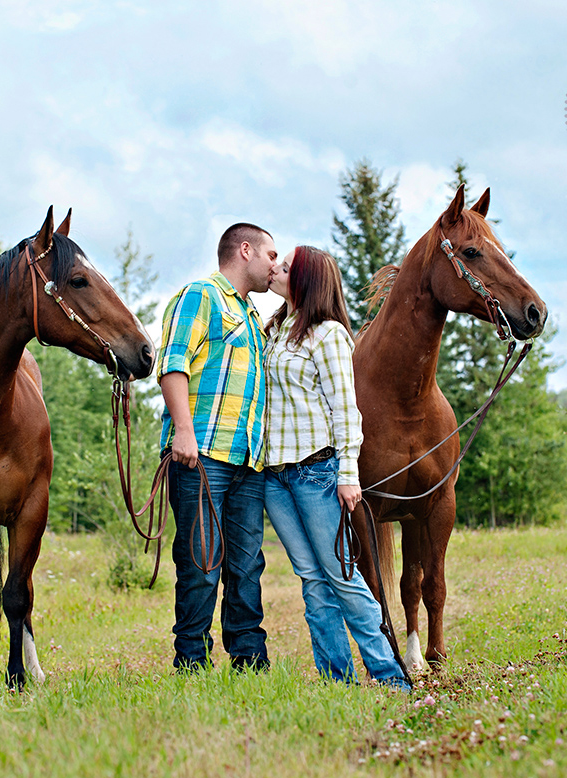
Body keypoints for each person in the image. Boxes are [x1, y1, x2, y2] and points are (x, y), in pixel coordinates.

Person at [262, 245, 411, 690]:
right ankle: (336, 679)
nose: (275, 270)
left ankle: (389, 676)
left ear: (305, 281)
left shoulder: (328, 335)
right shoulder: (275, 329)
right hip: (274, 476)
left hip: (315, 473)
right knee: (311, 578)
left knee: (343, 577)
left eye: (285, 268)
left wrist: (348, 474)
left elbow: (346, 411)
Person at [156, 223, 276, 673]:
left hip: (248, 459)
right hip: (202, 454)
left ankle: (249, 659)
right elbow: (173, 364)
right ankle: (191, 661)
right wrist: (183, 431)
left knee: (246, 565)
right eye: (270, 255)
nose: (274, 266)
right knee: (201, 564)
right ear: (245, 251)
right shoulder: (201, 296)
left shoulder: (251, 315)